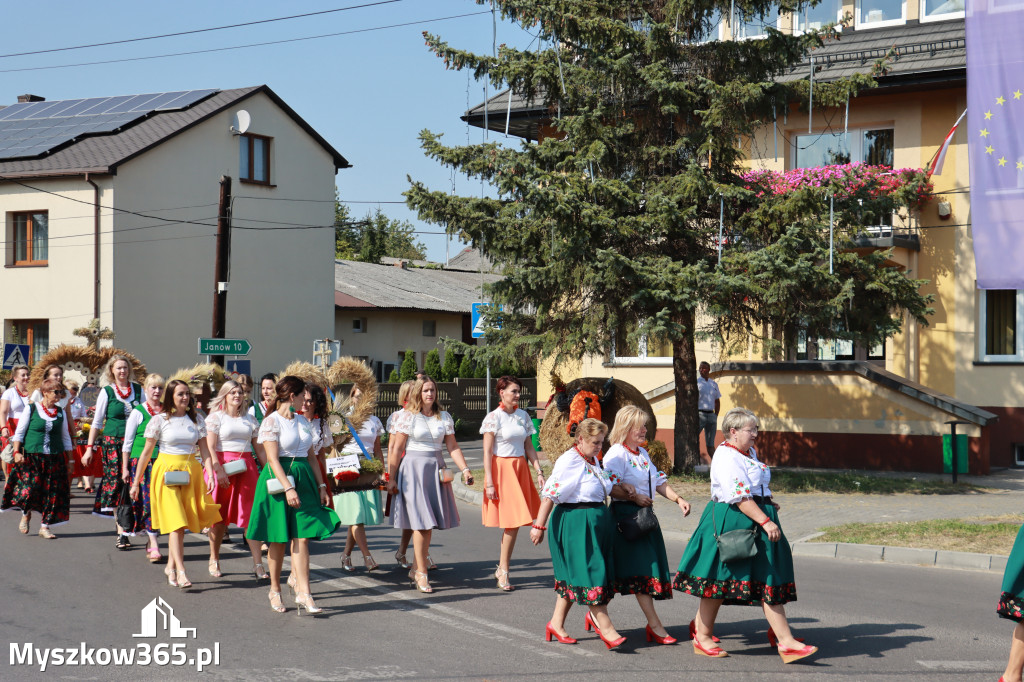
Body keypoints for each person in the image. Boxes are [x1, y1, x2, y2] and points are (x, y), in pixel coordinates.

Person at [674, 407, 817, 664]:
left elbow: (755, 483)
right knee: (718, 582)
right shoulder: (727, 456)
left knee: (767, 578)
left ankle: (783, 639)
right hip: (735, 520)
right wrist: (764, 520)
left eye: (756, 429)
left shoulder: (748, 451)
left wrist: (768, 502)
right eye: (752, 430)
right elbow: (739, 495)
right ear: (733, 431)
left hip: (755, 516)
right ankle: (703, 637)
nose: (756, 435)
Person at [246, 376, 340, 615]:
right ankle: (275, 589)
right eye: (302, 396)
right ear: (292, 396)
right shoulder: (271, 422)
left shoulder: (303, 421)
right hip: (279, 483)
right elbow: (273, 460)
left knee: (303, 537)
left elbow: (311, 457)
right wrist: (288, 487)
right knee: (278, 539)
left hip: (305, 479)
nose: (305, 401)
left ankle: (304, 593)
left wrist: (321, 486)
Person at [530, 418, 625, 650]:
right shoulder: (570, 460)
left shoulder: (592, 459)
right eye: (595, 442)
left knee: (576, 577)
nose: (599, 447)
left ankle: (555, 623)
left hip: (595, 523)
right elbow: (550, 493)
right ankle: (606, 627)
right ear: (580, 439)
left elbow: (602, 486)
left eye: (601, 442)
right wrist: (539, 525)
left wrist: (629, 492)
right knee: (589, 575)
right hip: (575, 523)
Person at [604, 406, 691, 644]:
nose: (644, 430)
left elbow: (659, 481)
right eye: (639, 426)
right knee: (640, 574)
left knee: (629, 574)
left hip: (643, 518)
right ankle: (655, 626)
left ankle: (597, 613)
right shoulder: (616, 454)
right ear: (626, 428)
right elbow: (609, 486)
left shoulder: (641, 453)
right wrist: (632, 496)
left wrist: (678, 499)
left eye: (645, 425)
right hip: (626, 520)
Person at [130, 380, 222, 589]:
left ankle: (170, 566)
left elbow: (205, 451)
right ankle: (181, 570)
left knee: (182, 525)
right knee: (176, 524)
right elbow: (146, 453)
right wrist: (136, 483)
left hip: (191, 473)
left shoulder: (197, 419)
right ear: (171, 396)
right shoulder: (159, 420)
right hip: (166, 474)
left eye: (187, 394)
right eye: (180, 394)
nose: (185, 397)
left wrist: (210, 473)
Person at [386, 375, 474, 593]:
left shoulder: (443, 417)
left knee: (428, 522)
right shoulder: (408, 416)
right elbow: (396, 449)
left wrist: (465, 469)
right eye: (426, 390)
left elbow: (452, 447)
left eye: (433, 390)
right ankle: (422, 573)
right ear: (418, 393)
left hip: (435, 469)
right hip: (413, 471)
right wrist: (391, 477)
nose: (430, 394)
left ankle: (417, 568)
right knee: (421, 522)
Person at [480, 375, 544, 591]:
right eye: (514, 391)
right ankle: (504, 569)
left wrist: (539, 471)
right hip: (502, 471)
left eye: (519, 391)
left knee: (514, 523)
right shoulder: (493, 417)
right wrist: (489, 482)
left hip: (520, 469)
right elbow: (487, 452)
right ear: (502, 392)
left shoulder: (523, 416)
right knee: (513, 521)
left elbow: (528, 447)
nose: (518, 395)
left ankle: (502, 568)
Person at [204, 380, 266, 579]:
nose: (237, 396)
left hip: (246, 468)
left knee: (250, 517)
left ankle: (258, 564)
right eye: (232, 393)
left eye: (239, 392)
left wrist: (268, 470)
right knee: (219, 518)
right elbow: (211, 447)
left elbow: (259, 449)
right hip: (222, 467)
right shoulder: (216, 418)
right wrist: (218, 470)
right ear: (225, 396)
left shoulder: (250, 419)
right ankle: (214, 558)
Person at [1, 378, 74, 538]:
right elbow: (20, 432)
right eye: (56, 392)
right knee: (30, 489)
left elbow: (65, 437)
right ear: (45, 393)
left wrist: (70, 460)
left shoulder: (60, 412)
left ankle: (45, 526)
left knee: (51, 492)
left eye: (61, 392)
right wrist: (17, 452)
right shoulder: (31, 409)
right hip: (32, 457)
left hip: (54, 457)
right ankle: (26, 513)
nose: (59, 395)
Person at [84, 355, 143, 549]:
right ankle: (121, 531)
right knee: (118, 483)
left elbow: (148, 413)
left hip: (135, 443)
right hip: (113, 444)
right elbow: (97, 422)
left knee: (138, 482)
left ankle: (138, 523)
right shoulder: (107, 392)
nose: (122, 371)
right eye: (118, 368)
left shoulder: (138, 390)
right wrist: (89, 448)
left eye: (125, 367)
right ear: (112, 371)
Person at [334, 386, 385, 572]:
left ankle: (346, 555)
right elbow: (333, 443)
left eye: (365, 396)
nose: (361, 399)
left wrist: (382, 472)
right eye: (357, 396)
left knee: (359, 517)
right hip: (348, 466)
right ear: (352, 397)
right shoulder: (343, 417)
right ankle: (367, 556)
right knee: (356, 513)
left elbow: (378, 449)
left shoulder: (374, 420)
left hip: (368, 466)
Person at [121, 374, 166, 562]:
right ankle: (153, 542)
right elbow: (128, 443)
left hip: (163, 462)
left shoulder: (167, 411)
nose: (156, 391)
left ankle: (152, 538)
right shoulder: (138, 412)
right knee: (147, 501)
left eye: (160, 388)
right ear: (146, 389)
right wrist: (124, 468)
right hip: (142, 463)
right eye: (153, 387)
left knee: (161, 502)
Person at [386, 380, 416, 569]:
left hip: (418, 464)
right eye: (414, 392)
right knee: (411, 513)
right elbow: (392, 446)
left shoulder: (424, 413)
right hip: (403, 464)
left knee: (420, 513)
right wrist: (391, 474)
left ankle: (405, 551)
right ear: (405, 395)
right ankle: (416, 553)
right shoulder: (398, 416)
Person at [300, 384, 333, 510]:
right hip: (301, 465)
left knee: (317, 505)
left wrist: (324, 478)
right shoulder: (295, 420)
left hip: (316, 467)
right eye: (303, 399)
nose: (305, 403)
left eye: (309, 401)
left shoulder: (321, 424)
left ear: (316, 403)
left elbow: (322, 454)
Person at [66, 381, 99, 493]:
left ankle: (75, 485)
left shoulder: (79, 401)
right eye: (72, 388)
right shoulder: (61, 401)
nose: (74, 391)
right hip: (64, 428)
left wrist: (82, 426)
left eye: (76, 389)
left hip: (77, 428)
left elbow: (84, 416)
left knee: (77, 455)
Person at [0, 364, 31, 480]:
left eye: (28, 375)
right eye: (23, 375)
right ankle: (10, 480)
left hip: (30, 426)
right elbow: (3, 412)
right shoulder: (10, 393)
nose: (26, 377)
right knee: (12, 455)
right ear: (15, 378)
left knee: (28, 456)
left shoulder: (34, 392)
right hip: (14, 426)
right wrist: (3, 428)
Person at [697, 362, 721, 465]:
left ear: (709, 369)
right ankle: (695, 463)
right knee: (693, 439)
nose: (702, 370)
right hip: (700, 414)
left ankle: (717, 465)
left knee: (710, 443)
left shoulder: (713, 384)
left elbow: (717, 401)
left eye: (704, 368)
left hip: (712, 415)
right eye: (701, 368)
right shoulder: (696, 383)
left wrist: (716, 415)